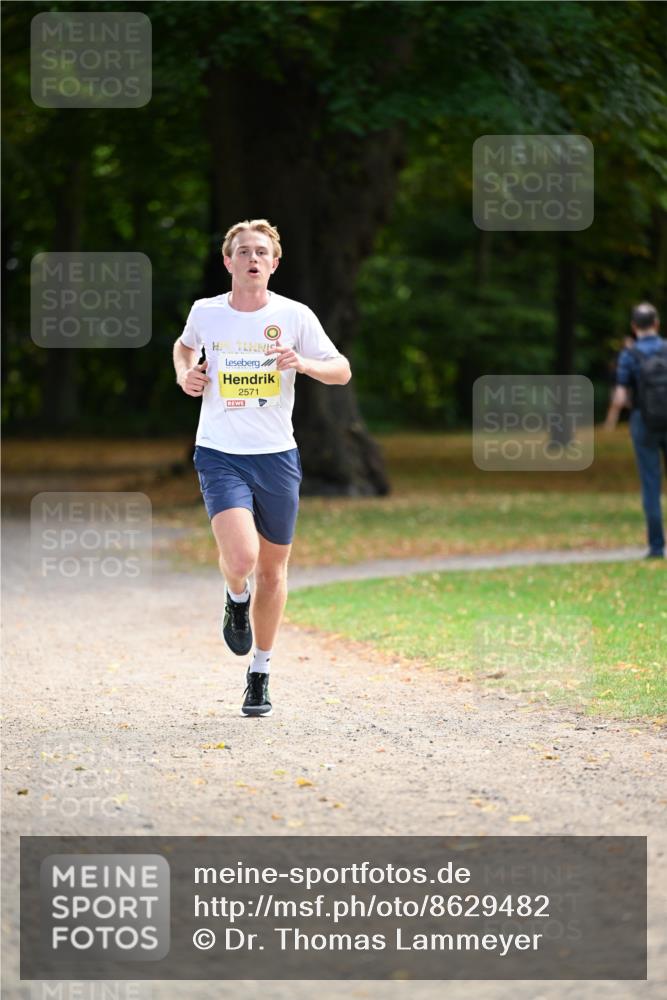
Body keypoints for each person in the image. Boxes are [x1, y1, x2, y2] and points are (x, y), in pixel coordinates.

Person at [173, 219, 351, 715]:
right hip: (219, 452)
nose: (253, 258)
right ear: (228, 262)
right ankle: (235, 598)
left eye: (262, 252)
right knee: (243, 559)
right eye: (243, 251)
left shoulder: (295, 315)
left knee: (273, 574)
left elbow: (341, 369)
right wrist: (186, 373)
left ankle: (260, 672)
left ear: (274, 264)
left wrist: (303, 363)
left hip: (276, 456)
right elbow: (184, 346)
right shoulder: (206, 313)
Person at [605, 302, 667, 558]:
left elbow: (620, 397)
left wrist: (614, 416)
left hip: (644, 422)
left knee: (651, 484)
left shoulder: (629, 355)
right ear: (657, 324)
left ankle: (656, 547)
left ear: (633, 327)